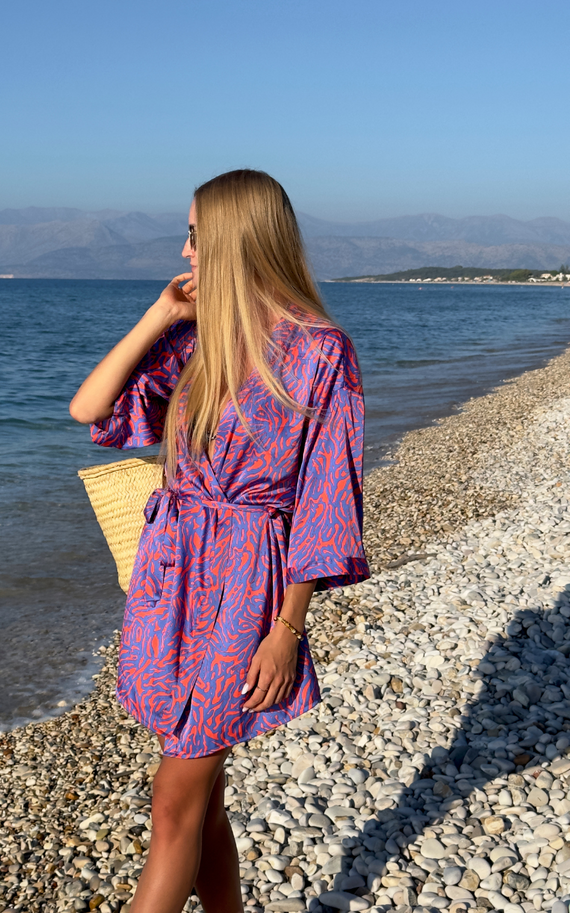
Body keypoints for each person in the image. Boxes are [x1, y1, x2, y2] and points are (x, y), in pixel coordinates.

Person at [70, 169, 368, 913]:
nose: (184, 247)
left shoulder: (321, 351)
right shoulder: (199, 339)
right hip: (172, 573)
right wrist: (157, 317)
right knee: (204, 796)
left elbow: (324, 506)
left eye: (196, 235)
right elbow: (89, 409)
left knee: (174, 798)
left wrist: (287, 631)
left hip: (249, 588)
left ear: (235, 237)